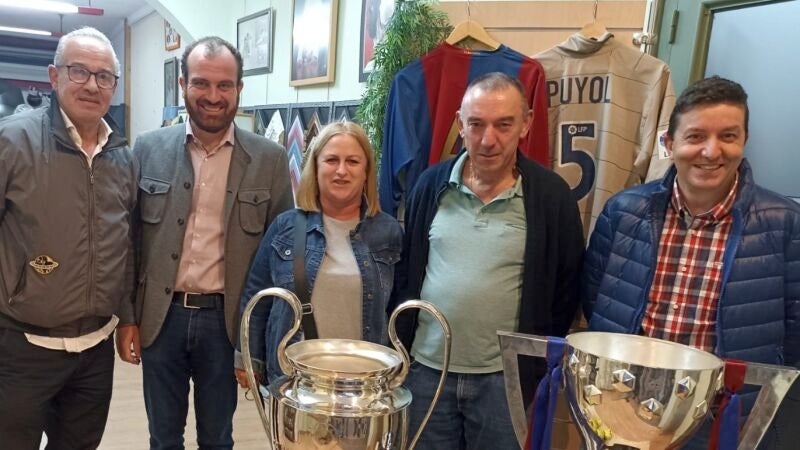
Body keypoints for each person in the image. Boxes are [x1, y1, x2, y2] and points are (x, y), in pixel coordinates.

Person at [581, 76, 800, 449]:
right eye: (696, 136)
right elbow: (594, 297)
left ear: (744, 140)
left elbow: (795, 330)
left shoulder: (784, 224)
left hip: (722, 417)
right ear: (669, 143)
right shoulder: (624, 212)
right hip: (625, 406)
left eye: (728, 136)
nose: (712, 151)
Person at [115, 36, 293, 449]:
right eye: (201, 83)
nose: (213, 96)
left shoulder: (269, 160)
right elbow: (130, 242)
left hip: (227, 325)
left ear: (239, 88)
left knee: (217, 438)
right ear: (183, 85)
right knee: (163, 437)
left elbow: (280, 259)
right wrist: (126, 317)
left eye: (224, 85)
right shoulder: (148, 149)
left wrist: (258, 342)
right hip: (161, 319)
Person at [390, 72, 584, 449]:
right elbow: (408, 270)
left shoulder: (551, 197)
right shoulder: (430, 186)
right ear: (460, 125)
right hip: (428, 371)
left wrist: (533, 361)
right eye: (476, 124)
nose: (488, 139)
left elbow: (567, 285)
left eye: (503, 125)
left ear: (526, 124)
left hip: (505, 380)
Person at [0, 27, 136, 448]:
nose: (92, 85)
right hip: (22, 346)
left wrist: (127, 317)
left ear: (114, 86)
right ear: (54, 76)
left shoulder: (123, 156)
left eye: (104, 76)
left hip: (94, 350)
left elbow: (125, 245)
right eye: (79, 71)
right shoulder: (12, 141)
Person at [235, 121, 402, 387]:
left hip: (364, 385)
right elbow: (257, 296)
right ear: (315, 167)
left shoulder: (388, 232)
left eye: (353, 161)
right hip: (296, 382)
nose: (341, 171)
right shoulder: (285, 227)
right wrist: (249, 359)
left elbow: (400, 309)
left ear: (366, 171)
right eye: (331, 160)